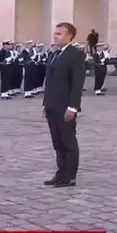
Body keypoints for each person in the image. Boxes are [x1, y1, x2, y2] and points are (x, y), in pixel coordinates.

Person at [42, 22, 85, 188]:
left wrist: (73, 107)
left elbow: (77, 83)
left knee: (68, 141)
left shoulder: (76, 55)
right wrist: (45, 103)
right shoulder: (54, 54)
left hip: (66, 106)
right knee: (57, 142)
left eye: (59, 34)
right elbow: (50, 81)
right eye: (55, 33)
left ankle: (69, 176)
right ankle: (60, 173)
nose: (55, 36)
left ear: (70, 36)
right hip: (52, 105)